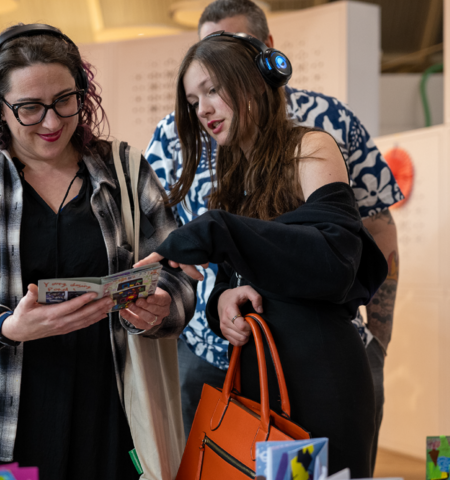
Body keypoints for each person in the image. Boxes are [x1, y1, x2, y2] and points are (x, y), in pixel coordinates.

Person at [0, 24, 196, 480]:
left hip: (105, 412)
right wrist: (5, 324)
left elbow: (178, 271)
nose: (52, 122)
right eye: (29, 108)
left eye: (66, 100)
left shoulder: (124, 169)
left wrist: (164, 306)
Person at [144, 0, 401, 468]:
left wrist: (219, 230)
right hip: (253, 372)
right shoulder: (230, 169)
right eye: (192, 100)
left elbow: (336, 260)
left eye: (213, 90)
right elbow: (242, 269)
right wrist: (224, 296)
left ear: (251, 76)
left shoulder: (312, 146)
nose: (202, 109)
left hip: (319, 375)